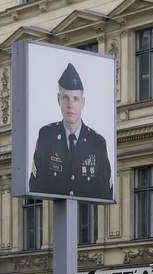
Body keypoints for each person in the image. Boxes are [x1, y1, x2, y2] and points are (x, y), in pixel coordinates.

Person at [28, 62, 113, 200]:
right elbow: (35, 186)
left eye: (75, 98)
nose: (70, 105)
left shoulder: (97, 143)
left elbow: (106, 193)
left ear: (83, 102)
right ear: (58, 100)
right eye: (65, 97)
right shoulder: (46, 137)